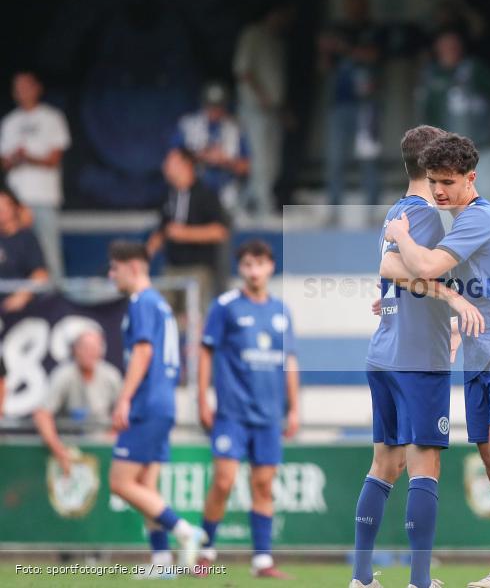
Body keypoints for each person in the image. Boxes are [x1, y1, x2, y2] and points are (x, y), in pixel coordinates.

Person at [385, 133, 490, 588]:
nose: (438, 191)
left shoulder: (480, 217)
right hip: (478, 353)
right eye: (433, 181)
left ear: (471, 179)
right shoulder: (456, 223)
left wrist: (400, 238)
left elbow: (426, 267)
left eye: (448, 182)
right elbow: (391, 269)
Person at [351, 125, 484, 588]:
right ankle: (421, 581)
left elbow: (393, 277)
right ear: (431, 169)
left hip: (385, 351)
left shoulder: (396, 212)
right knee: (425, 465)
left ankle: (362, 577)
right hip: (416, 358)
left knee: (385, 464)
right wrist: (452, 300)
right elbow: (395, 267)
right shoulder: (425, 215)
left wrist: (419, 304)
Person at [195, 239, 300, 579]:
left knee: (264, 486)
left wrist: (294, 408)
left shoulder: (282, 312)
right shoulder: (224, 306)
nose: (254, 271)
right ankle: (205, 551)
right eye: (247, 265)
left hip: (269, 416)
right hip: (232, 414)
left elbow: (290, 361)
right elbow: (206, 352)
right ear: (241, 270)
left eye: (260, 264)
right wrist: (202, 398)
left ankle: (262, 562)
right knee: (223, 482)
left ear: (270, 267)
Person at [106, 241, 206, 574]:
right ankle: (161, 561)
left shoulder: (141, 301)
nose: (110, 274)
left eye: (114, 268)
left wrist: (124, 397)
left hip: (146, 402)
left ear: (133, 267)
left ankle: (185, 531)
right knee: (146, 486)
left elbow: (144, 352)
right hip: (164, 401)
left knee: (120, 483)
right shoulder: (160, 304)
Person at [416, 30, 490, 206]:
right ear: (437, 47)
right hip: (447, 153)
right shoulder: (430, 75)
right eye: (445, 43)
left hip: (484, 146)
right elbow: (425, 116)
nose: (450, 48)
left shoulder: (475, 69)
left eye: (454, 43)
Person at [318, 0, 384, 215]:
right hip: (340, 102)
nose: (354, 9)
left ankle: (373, 209)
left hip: (367, 104)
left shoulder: (373, 29)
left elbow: (373, 55)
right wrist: (326, 51)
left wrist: (344, 48)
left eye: (358, 4)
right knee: (335, 158)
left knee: (368, 157)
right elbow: (325, 67)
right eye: (350, 5)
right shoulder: (337, 30)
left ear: (365, 6)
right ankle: (333, 208)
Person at [0, 71, 70, 279]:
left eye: (26, 86)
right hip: (15, 205)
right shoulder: (9, 122)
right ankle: (19, 305)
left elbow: (54, 159)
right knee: (15, 256)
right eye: (17, 88)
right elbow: (4, 162)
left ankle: (56, 305)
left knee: (50, 255)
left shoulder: (52, 117)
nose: (22, 91)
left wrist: (28, 157)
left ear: (37, 88)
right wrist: (16, 158)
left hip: (44, 199)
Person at [146, 148, 230, 310]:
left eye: (171, 162)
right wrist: (145, 254)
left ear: (186, 165)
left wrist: (185, 233)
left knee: (193, 318)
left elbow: (220, 232)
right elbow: (163, 230)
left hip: (198, 269)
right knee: (163, 312)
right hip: (172, 268)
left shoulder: (206, 194)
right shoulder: (170, 195)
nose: (165, 167)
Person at [233, 2, 296, 216]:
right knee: (260, 160)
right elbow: (243, 71)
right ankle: (264, 207)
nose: (287, 21)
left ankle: (240, 205)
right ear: (274, 13)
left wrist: (281, 109)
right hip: (254, 109)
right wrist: (263, 98)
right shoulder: (252, 34)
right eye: (285, 16)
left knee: (273, 164)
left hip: (274, 110)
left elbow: (277, 83)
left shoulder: (278, 41)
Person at [32, 328, 122, 475]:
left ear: (101, 350)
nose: (89, 353)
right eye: (85, 348)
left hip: (105, 448)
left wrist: (110, 438)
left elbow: (125, 414)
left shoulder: (111, 376)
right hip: (70, 445)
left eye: (94, 348)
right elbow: (42, 414)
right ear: (75, 350)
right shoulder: (63, 375)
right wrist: (58, 449)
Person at [170, 82, 250, 212]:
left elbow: (246, 167)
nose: (214, 110)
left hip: (226, 194)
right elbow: (172, 161)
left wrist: (226, 161)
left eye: (218, 106)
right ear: (203, 104)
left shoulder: (235, 128)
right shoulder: (188, 124)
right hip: (193, 194)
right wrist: (200, 156)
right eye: (210, 105)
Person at [0, 187, 48, 313]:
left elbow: (41, 274)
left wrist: (22, 296)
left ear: (14, 208)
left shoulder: (26, 238)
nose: (2, 211)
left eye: (5, 207)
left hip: (21, 306)